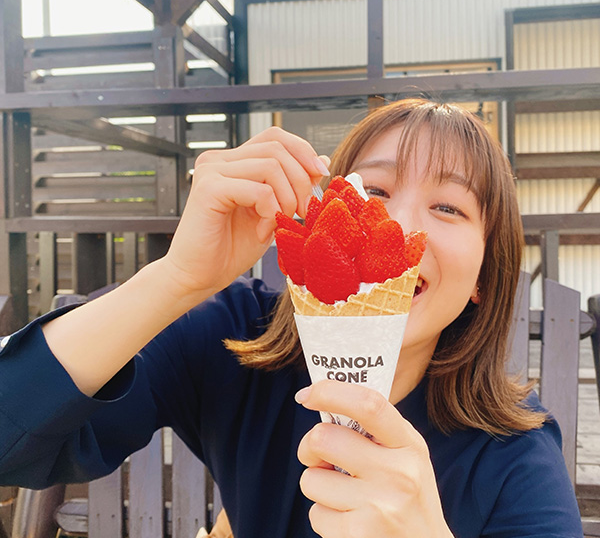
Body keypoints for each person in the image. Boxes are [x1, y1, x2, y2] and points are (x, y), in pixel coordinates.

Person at [0, 99, 583, 538]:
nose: (400, 225)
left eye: (449, 206)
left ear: (483, 275)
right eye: (374, 190)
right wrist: (178, 278)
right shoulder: (234, 335)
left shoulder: (515, 456)